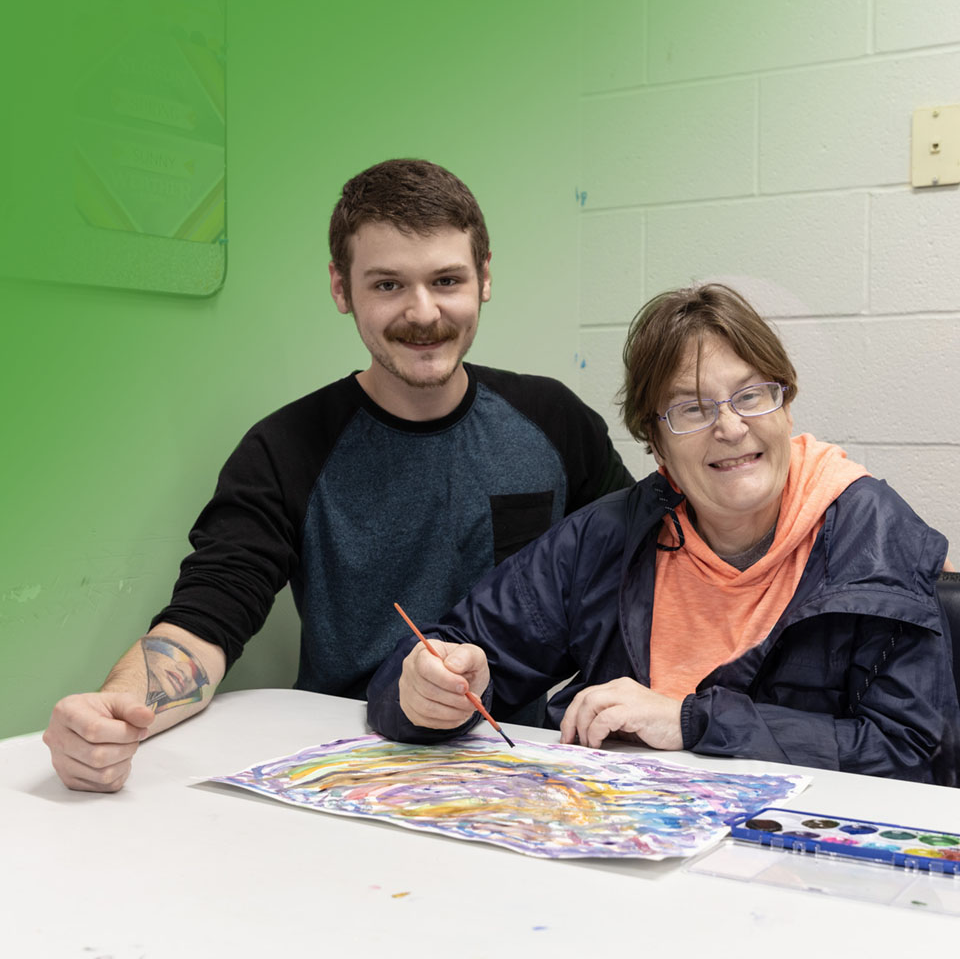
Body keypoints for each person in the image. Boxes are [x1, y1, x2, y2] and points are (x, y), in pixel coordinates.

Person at [43, 159, 632, 792]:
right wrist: (115, 713)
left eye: (447, 279)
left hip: (529, 759)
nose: (423, 311)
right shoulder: (285, 449)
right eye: (387, 285)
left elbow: (646, 567)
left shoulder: (554, 420)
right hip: (355, 763)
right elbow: (203, 622)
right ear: (339, 288)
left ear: (484, 278)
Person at [368, 283, 960, 786]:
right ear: (656, 446)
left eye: (752, 396)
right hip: (627, 849)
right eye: (692, 410)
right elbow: (439, 655)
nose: (730, 427)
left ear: (786, 406)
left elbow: (912, 757)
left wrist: (689, 720)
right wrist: (426, 691)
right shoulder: (608, 535)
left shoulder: (874, 534)